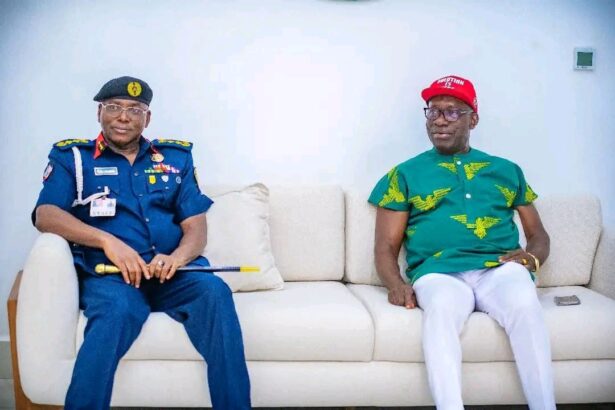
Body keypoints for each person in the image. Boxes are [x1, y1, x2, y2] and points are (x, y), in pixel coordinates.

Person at [33, 76, 251, 409]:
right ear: (99, 113)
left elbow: (196, 228)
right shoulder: (73, 157)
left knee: (215, 292)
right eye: (114, 107)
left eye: (135, 110)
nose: (123, 117)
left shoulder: (176, 158)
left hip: (171, 275)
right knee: (117, 310)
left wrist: (177, 258)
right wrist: (107, 241)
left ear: (147, 118)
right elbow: (45, 215)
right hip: (110, 276)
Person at [369, 75, 555, 410]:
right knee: (440, 310)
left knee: (526, 305)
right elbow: (385, 246)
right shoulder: (404, 174)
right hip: (438, 272)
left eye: (452, 112)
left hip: (500, 268)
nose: (439, 120)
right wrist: (395, 284)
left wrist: (532, 258)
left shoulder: (506, 170)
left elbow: (538, 234)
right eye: (433, 111)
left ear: (474, 119)